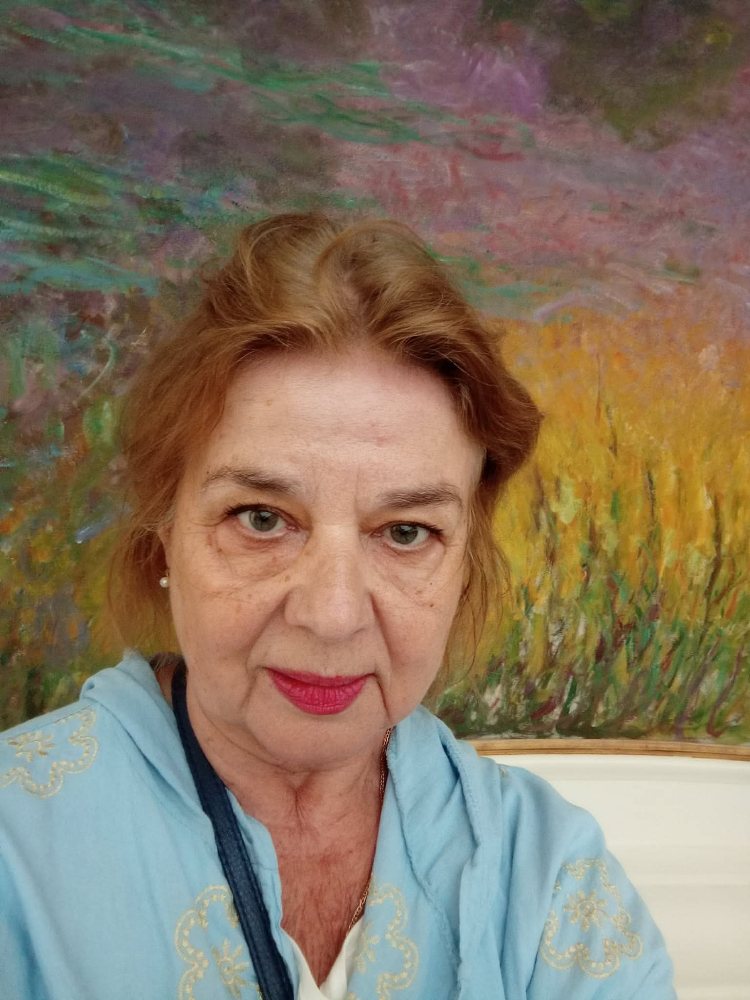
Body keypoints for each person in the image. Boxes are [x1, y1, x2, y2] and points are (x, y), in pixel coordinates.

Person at [0, 213, 675, 999]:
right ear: (164, 529)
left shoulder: (550, 878)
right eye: (261, 519)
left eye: (407, 531)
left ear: (465, 562)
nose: (333, 614)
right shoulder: (17, 851)